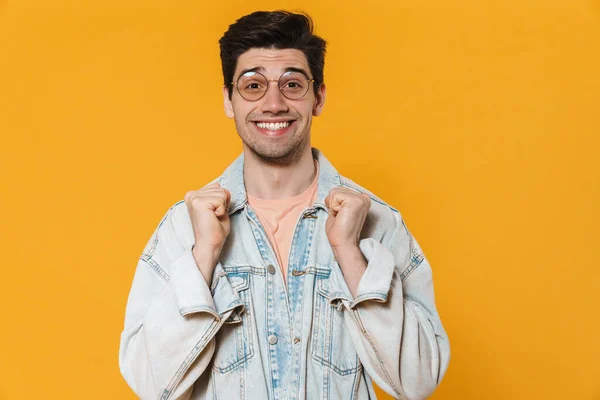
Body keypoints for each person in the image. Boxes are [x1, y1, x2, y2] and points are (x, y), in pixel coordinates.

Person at [119, 10, 450, 400]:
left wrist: (349, 254)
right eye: (253, 85)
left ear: (318, 98)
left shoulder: (377, 223)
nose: (273, 103)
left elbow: (418, 381)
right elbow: (149, 384)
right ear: (229, 100)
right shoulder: (184, 228)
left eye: (292, 84)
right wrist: (204, 254)